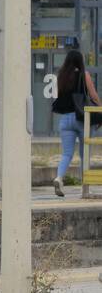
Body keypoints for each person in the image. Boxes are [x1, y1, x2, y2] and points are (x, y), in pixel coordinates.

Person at [51, 49, 101, 197]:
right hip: (82, 118)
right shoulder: (84, 75)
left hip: (65, 120)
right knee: (84, 154)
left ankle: (59, 178)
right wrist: (100, 110)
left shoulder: (61, 76)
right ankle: (85, 190)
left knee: (67, 154)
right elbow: (93, 95)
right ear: (80, 61)